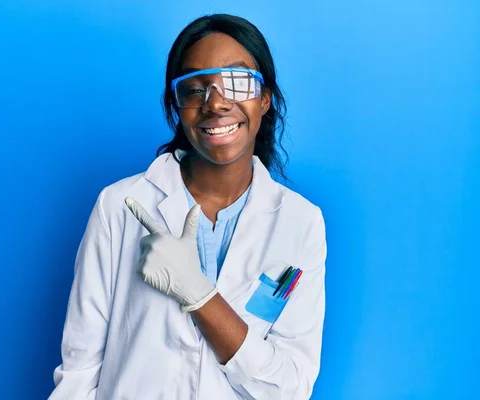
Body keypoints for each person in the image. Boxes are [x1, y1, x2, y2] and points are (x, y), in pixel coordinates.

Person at [49, 13, 327, 400]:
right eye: (194, 89)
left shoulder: (300, 223)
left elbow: (290, 388)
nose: (215, 103)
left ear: (265, 99)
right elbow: (79, 374)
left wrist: (198, 293)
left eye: (237, 81)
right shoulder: (120, 207)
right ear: (177, 106)